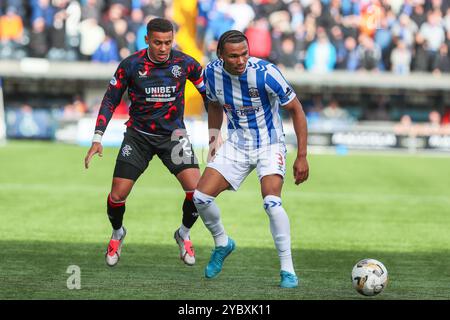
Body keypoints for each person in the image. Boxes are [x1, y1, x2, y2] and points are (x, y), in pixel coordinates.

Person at [84, 18, 206, 267]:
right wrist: (98, 137)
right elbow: (110, 99)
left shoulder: (185, 63)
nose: (163, 48)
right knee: (117, 195)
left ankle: (183, 234)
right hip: (138, 137)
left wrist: (217, 132)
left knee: (198, 193)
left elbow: (210, 95)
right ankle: (117, 233)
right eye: (158, 42)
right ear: (147, 40)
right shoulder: (131, 65)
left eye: (168, 42)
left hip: (174, 136)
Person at [193, 30, 309, 288]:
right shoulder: (211, 74)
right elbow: (213, 104)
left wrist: (302, 156)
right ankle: (223, 243)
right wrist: (214, 141)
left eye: (244, 53)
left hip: (269, 143)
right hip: (237, 144)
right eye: (233, 56)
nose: (241, 60)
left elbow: (296, 109)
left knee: (271, 202)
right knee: (200, 198)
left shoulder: (266, 72)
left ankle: (287, 270)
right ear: (220, 55)